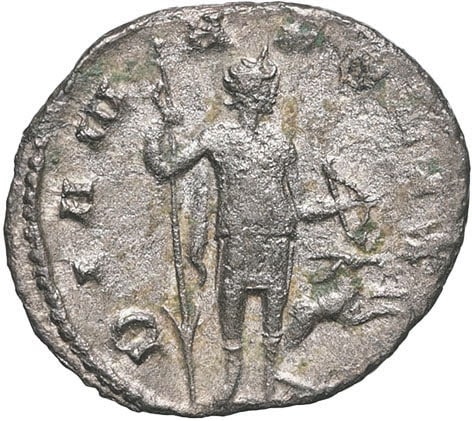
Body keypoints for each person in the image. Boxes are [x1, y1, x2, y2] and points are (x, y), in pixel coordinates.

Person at [144, 46, 353, 402]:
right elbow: (165, 167)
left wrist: (340, 205)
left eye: (264, 91)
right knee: (231, 305)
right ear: (241, 95)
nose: (261, 98)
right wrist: (161, 124)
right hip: (237, 237)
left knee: (274, 310)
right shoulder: (218, 137)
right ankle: (232, 378)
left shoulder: (282, 145)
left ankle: (269, 379)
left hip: (278, 237)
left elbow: (299, 205)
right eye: (256, 91)